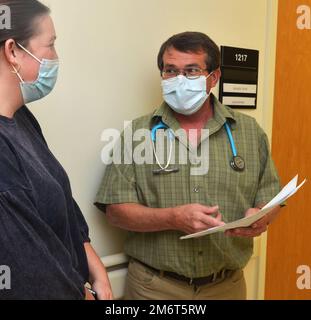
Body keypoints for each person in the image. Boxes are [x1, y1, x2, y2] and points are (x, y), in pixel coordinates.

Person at [95, 31, 282, 300]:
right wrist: (173, 218)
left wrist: (262, 216)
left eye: (192, 71)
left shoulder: (249, 132)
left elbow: (272, 197)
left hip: (226, 287)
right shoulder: (138, 133)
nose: (179, 80)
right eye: (171, 71)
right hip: (155, 288)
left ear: (213, 77)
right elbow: (115, 211)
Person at [0, 0, 112, 300]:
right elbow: (28, 269)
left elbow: (61, 201)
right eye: (50, 45)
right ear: (13, 51)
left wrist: (96, 270)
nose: (55, 57)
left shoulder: (22, 119)